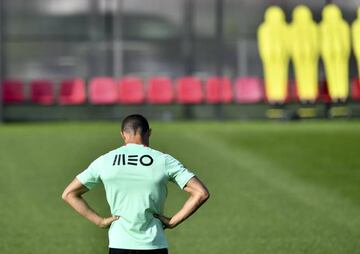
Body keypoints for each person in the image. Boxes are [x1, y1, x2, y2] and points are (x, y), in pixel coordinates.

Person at [62, 114, 210, 254]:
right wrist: (173, 221)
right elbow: (201, 193)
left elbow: (69, 194)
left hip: (119, 243)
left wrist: (100, 221)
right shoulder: (163, 160)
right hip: (154, 243)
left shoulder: (105, 160)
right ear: (149, 133)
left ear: (122, 134)